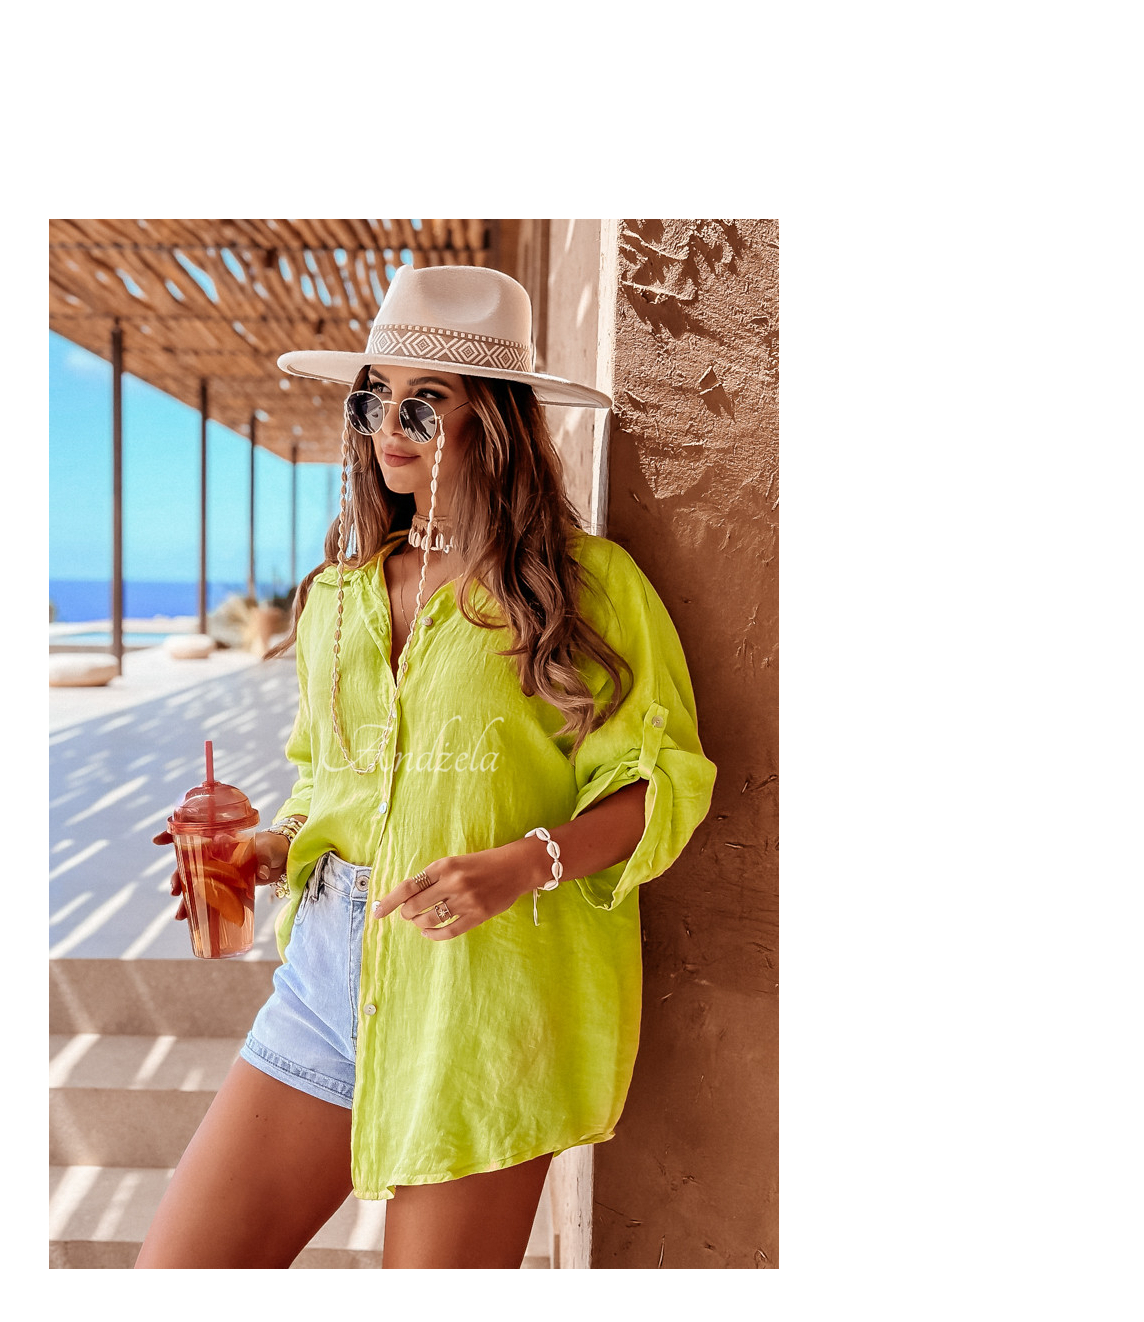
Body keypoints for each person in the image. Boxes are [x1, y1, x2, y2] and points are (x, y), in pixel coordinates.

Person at [135, 263, 716, 1269]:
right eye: (372, 398)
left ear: (491, 418)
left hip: (482, 990)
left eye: (422, 401)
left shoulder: (584, 589)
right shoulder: (340, 596)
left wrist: (525, 862)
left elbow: (659, 779)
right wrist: (271, 847)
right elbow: (325, 779)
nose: (386, 425)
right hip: (324, 977)